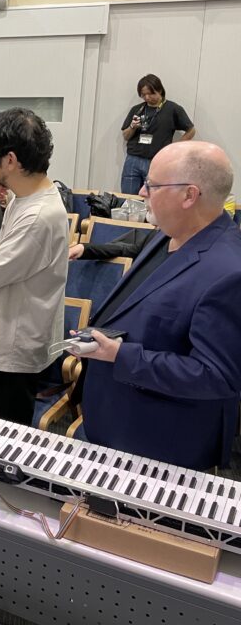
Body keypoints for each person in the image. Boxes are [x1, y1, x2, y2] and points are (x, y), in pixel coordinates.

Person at [77, 142, 241, 471]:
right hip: (114, 417)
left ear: (189, 195)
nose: (141, 191)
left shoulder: (229, 271)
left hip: (160, 441)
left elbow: (217, 376)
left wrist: (120, 355)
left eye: (152, 184)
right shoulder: (167, 233)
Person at [0, 108, 68, 425]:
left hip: (8, 356)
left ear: (9, 160)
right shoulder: (25, 198)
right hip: (1, 342)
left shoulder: (38, 216)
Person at [120, 74, 195, 195]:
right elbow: (126, 136)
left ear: (159, 90)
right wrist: (132, 127)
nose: (147, 97)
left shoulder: (173, 109)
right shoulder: (137, 109)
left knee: (155, 199)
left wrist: (174, 148)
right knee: (128, 198)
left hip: (157, 160)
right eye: (143, 95)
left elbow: (191, 130)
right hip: (133, 159)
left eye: (150, 93)